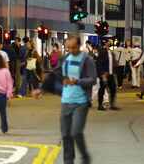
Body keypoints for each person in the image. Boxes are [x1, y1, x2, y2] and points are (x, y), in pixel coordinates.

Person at [33, 36, 96, 164]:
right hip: (66, 101)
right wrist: (41, 89)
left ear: (79, 46)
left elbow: (93, 79)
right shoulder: (65, 58)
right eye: (68, 48)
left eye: (73, 47)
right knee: (66, 135)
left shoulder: (87, 60)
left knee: (76, 132)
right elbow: (54, 74)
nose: (71, 50)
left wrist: (77, 81)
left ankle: (85, 157)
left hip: (81, 102)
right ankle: (68, 161)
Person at [96, 39, 119, 111]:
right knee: (102, 89)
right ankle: (100, 105)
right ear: (105, 44)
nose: (109, 43)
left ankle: (112, 104)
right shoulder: (102, 52)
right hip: (104, 74)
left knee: (113, 89)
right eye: (108, 42)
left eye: (110, 42)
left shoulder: (111, 52)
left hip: (111, 74)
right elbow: (99, 64)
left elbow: (112, 63)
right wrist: (102, 74)